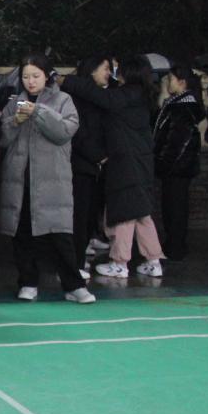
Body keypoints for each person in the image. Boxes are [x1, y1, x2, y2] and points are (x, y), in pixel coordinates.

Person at [0, 54, 95, 303]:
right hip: (20, 181)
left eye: (35, 76)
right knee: (22, 234)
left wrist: (38, 111)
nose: (30, 81)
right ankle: (28, 282)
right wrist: (15, 121)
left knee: (60, 235)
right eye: (25, 76)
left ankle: (74, 285)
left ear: (47, 76)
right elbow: (2, 138)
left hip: (52, 182)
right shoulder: (14, 103)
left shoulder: (63, 100)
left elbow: (65, 131)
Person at [62, 54, 163, 279]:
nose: (113, 73)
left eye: (117, 69)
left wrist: (67, 81)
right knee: (142, 212)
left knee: (125, 211)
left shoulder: (126, 95)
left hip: (127, 162)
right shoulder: (140, 94)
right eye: (107, 68)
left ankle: (119, 262)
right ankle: (153, 260)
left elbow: (102, 97)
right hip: (141, 161)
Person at [65, 54, 112, 277]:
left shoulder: (97, 97)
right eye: (106, 68)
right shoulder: (78, 98)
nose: (109, 73)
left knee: (87, 216)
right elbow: (78, 133)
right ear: (92, 70)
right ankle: (73, 265)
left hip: (92, 166)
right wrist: (99, 156)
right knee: (79, 217)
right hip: (80, 165)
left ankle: (78, 261)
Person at [153, 62, 205, 261]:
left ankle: (175, 247)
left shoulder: (182, 108)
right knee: (174, 207)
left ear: (182, 82)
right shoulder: (180, 105)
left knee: (174, 208)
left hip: (176, 168)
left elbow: (176, 141)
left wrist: (163, 163)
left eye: (171, 79)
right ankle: (175, 244)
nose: (168, 82)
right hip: (179, 167)